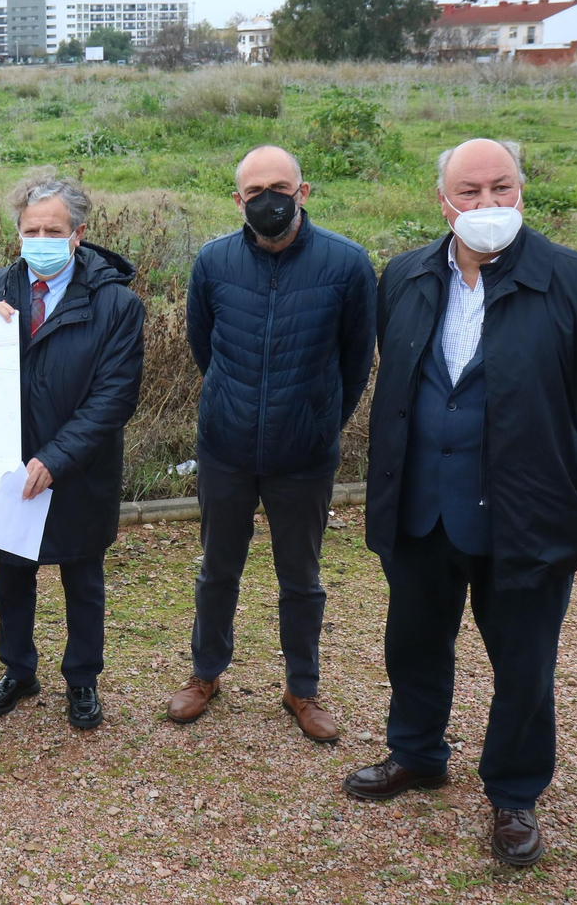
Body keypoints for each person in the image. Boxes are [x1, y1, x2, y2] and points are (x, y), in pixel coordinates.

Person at [345, 138, 577, 867]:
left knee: (523, 661)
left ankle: (513, 792)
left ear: (523, 191)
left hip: (526, 510)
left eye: (501, 188)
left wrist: (548, 440)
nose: (487, 205)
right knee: (414, 642)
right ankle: (417, 753)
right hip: (421, 504)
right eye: (470, 192)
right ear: (442, 201)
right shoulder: (407, 276)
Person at [167, 145, 376, 742]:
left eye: (279, 187)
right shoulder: (212, 263)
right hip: (227, 450)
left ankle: (302, 688)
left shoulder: (347, 264)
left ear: (303, 191)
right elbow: (204, 347)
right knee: (217, 571)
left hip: (304, 456)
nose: (269, 201)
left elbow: (356, 360)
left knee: (302, 579)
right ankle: (206, 674)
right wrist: (236, 409)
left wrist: (317, 420)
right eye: (255, 192)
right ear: (239, 201)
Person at [0, 175, 145, 730]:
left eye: (54, 229)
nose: (41, 238)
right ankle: (18, 672)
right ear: (17, 232)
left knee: (82, 580)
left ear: (78, 234)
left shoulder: (116, 303)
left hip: (78, 471)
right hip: (9, 468)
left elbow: (114, 396)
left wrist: (57, 458)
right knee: (11, 577)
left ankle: (82, 680)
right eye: (31, 229)